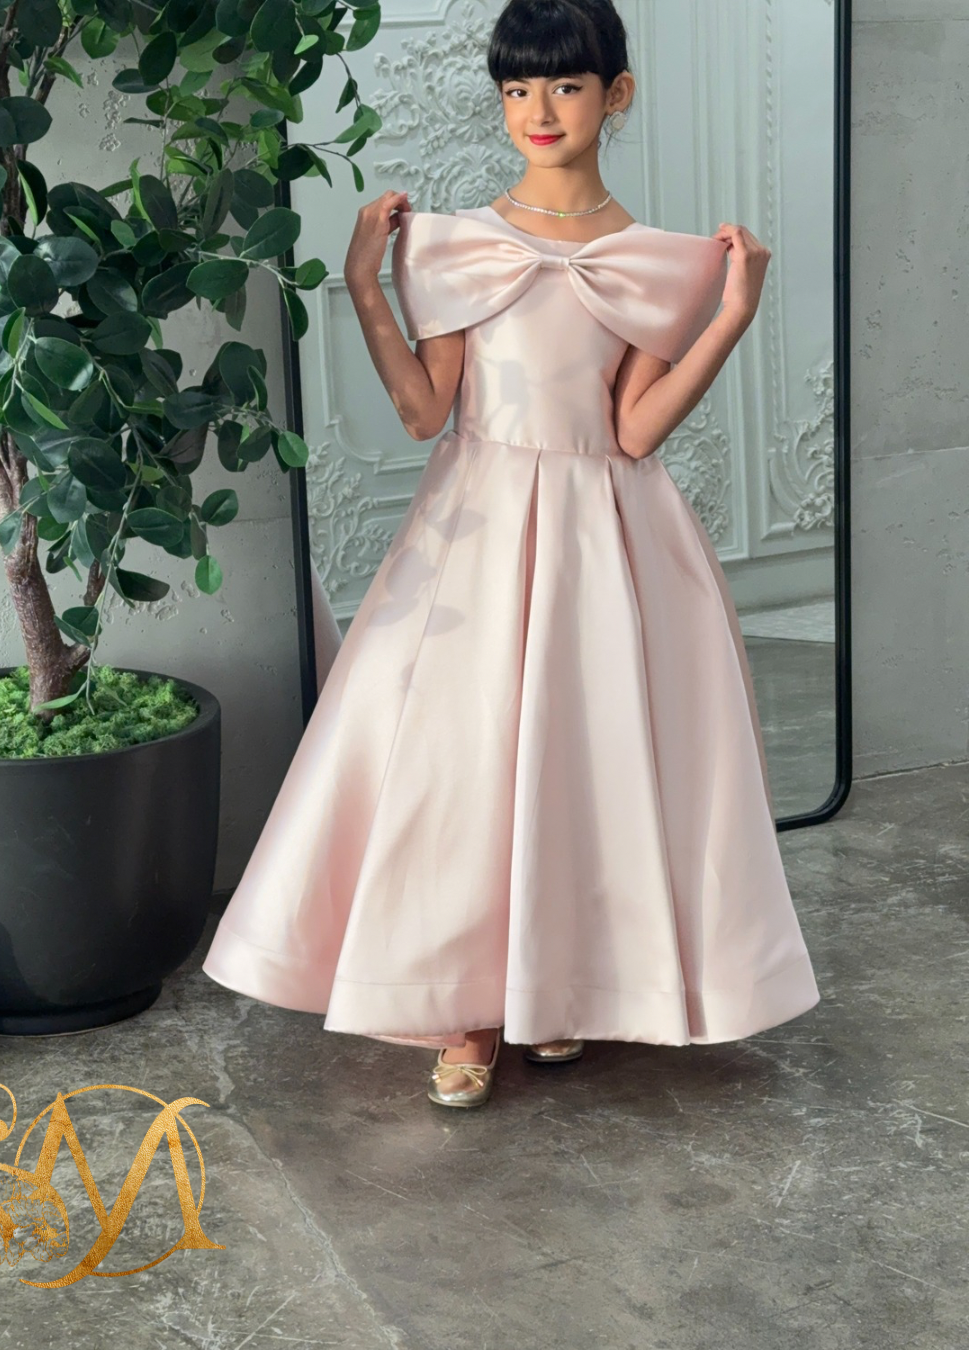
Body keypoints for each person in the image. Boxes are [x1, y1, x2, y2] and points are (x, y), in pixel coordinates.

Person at [202, 0, 821, 1109]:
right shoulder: (455, 246)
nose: (538, 109)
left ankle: (557, 985)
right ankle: (469, 1006)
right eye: (517, 89)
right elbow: (422, 411)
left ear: (616, 95)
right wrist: (367, 286)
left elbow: (634, 431)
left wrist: (730, 316)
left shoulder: (655, 263)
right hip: (477, 531)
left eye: (566, 86)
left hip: (606, 538)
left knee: (583, 761)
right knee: (464, 762)